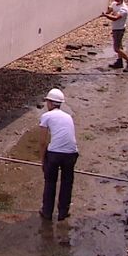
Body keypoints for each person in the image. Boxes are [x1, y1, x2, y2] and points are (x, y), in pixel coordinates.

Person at [38, 88, 78, 221]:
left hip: (54, 154)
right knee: (67, 182)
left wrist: (43, 160)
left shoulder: (46, 116)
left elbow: (43, 142)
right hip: (71, 154)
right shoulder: (68, 117)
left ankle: (47, 212)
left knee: (50, 182)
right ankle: (63, 212)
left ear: (50, 103)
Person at [102, 0, 128, 72]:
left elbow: (115, 18)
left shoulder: (123, 9)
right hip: (116, 28)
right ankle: (119, 62)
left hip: (119, 29)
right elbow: (108, 11)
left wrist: (105, 15)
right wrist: (105, 12)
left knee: (116, 48)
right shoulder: (114, 4)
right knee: (119, 46)